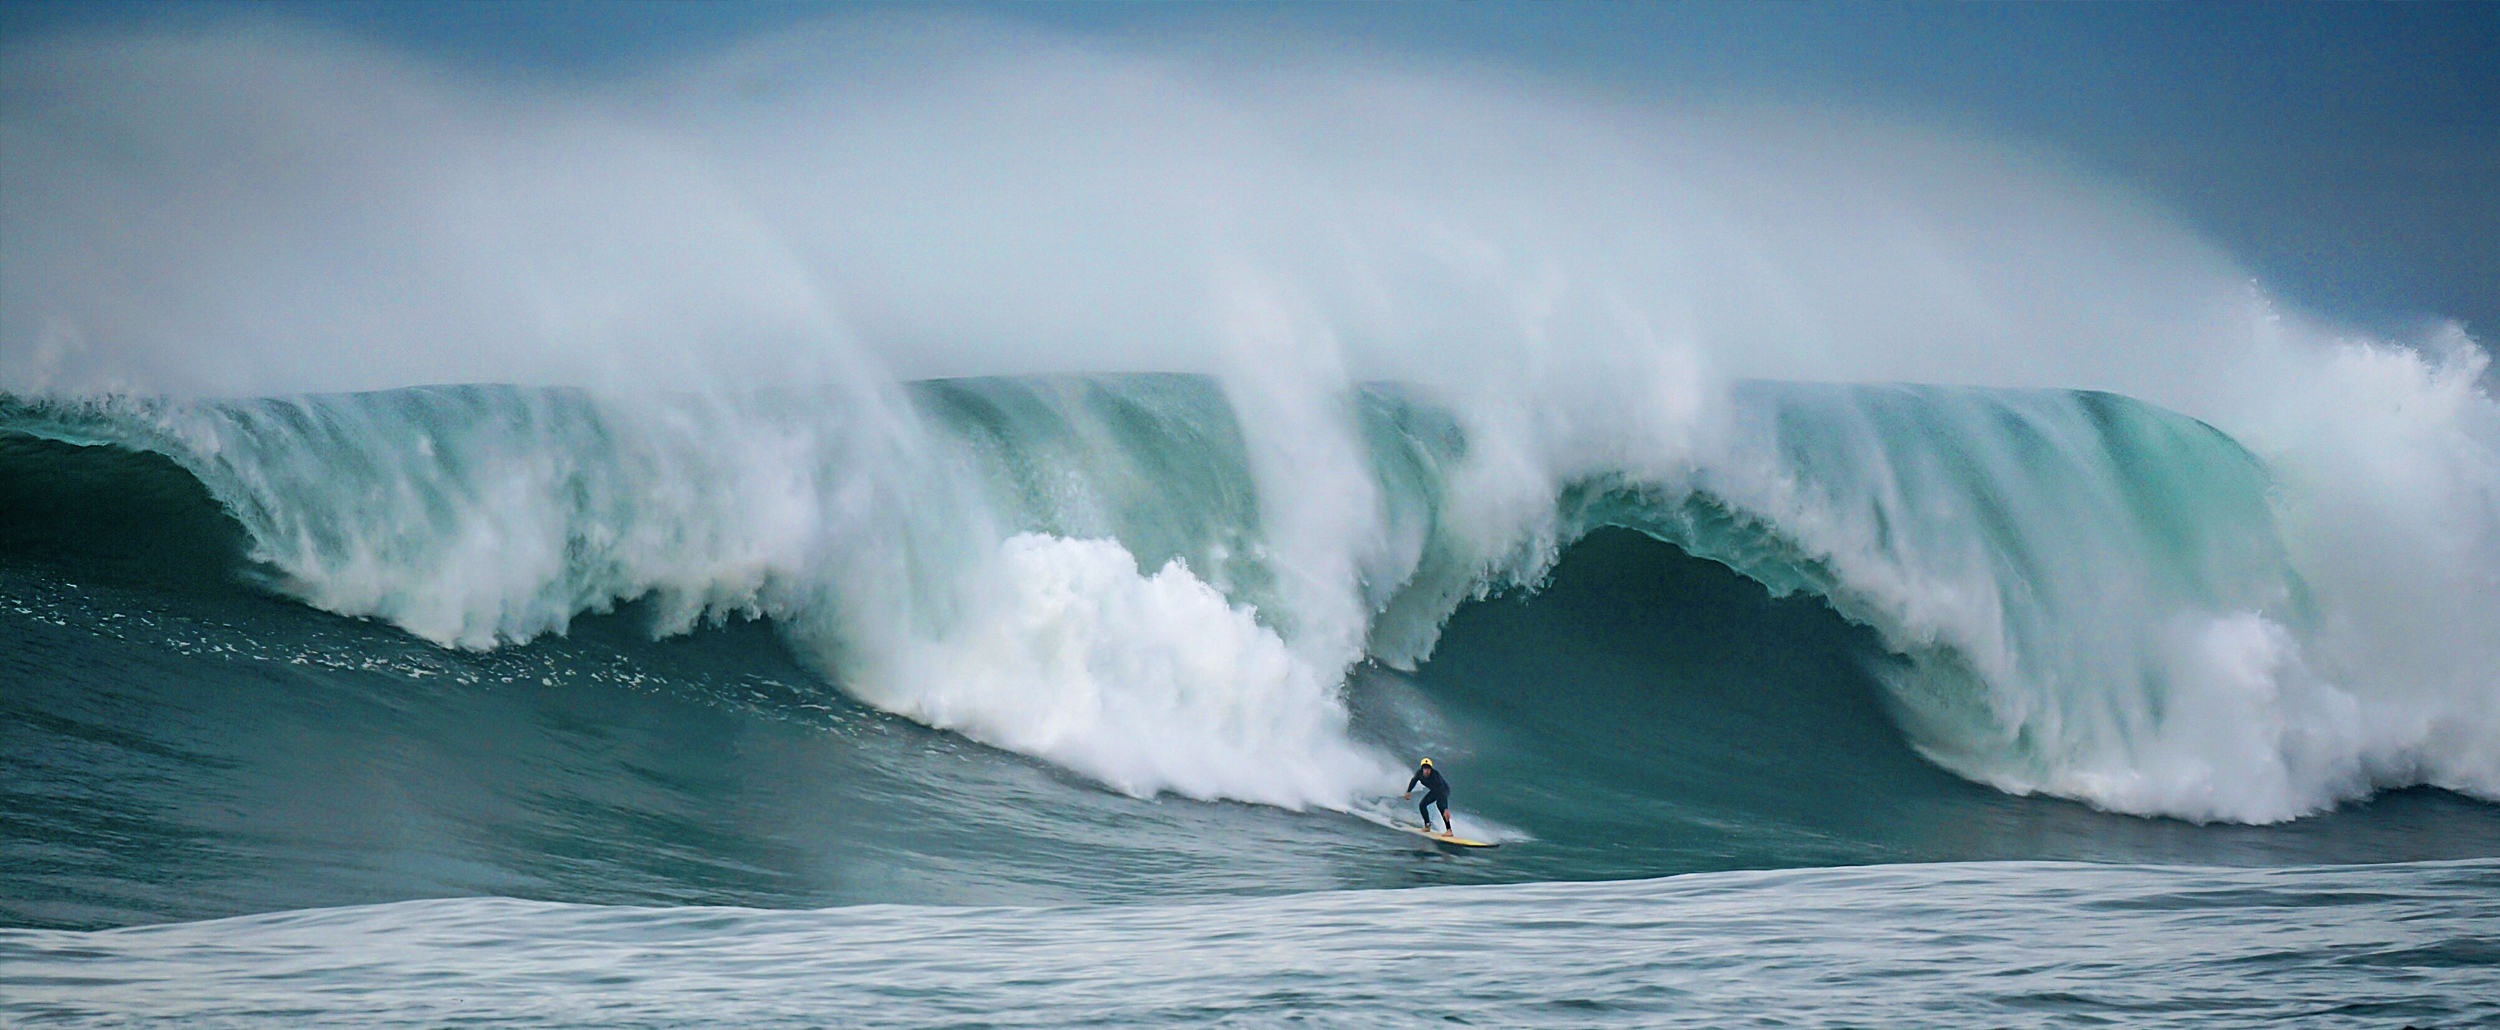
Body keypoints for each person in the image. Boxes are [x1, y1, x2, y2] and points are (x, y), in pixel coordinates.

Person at [1402, 758, 1453, 835]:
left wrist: (1446, 808)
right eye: (1425, 768)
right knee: (1422, 805)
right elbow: (1414, 781)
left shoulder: (1435, 775)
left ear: (1431, 769)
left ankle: (1449, 830)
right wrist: (1408, 791)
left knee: (1440, 806)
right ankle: (1427, 826)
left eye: (1428, 768)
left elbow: (1442, 789)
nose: (1426, 771)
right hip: (1434, 791)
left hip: (1443, 790)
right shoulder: (1419, 774)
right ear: (1422, 769)